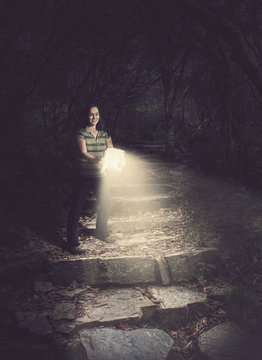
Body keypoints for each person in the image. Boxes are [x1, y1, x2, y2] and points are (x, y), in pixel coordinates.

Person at [66, 104, 114, 254]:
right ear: (86, 116)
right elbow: (83, 152)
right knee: (76, 207)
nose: (94, 117)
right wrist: (97, 159)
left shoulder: (105, 134)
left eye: (97, 114)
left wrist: (116, 161)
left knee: (106, 203)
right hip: (83, 176)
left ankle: (101, 231)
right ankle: (72, 243)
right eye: (91, 115)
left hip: (101, 176)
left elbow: (111, 151)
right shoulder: (81, 133)